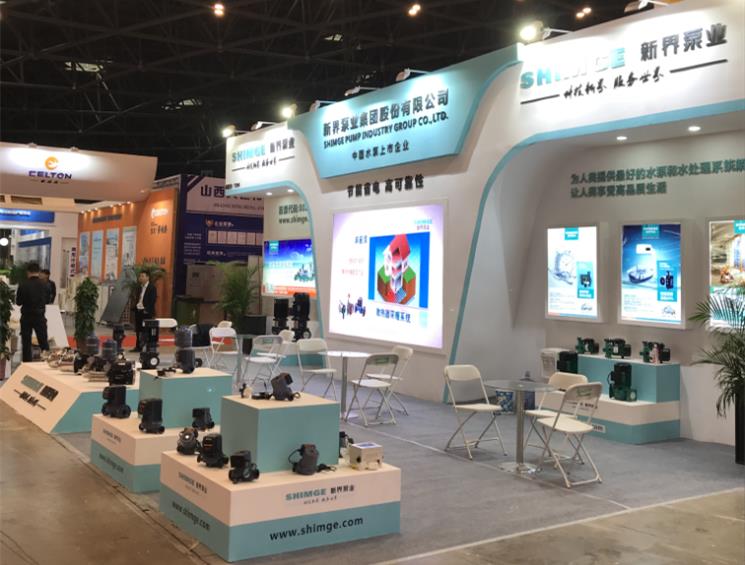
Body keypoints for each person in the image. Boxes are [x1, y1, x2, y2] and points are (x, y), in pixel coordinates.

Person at [15, 262, 50, 362]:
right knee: (43, 342)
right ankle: (47, 362)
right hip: (40, 316)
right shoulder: (45, 285)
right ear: (38, 272)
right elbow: (47, 300)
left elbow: (18, 302)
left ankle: (27, 364)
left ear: (28, 272)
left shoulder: (23, 285)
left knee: (26, 343)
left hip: (26, 317)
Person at [131, 271, 157, 352]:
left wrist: (146, 310)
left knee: (146, 330)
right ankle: (138, 347)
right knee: (138, 330)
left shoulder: (152, 287)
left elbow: (152, 300)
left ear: (147, 277)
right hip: (138, 311)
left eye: (142, 276)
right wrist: (135, 307)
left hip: (146, 312)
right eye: (140, 276)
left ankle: (147, 347)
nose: (140, 278)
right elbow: (138, 299)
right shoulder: (139, 287)